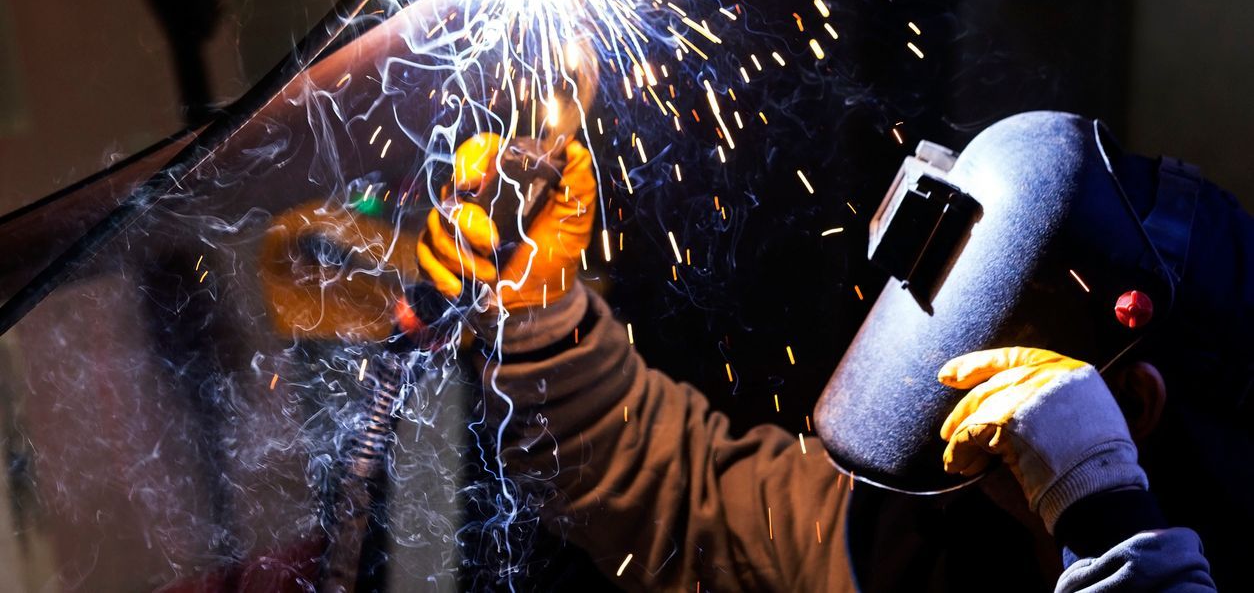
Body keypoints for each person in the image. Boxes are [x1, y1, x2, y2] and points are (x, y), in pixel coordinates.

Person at [415, 133, 1219, 591]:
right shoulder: (930, 540)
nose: (959, 446)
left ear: (1132, 414)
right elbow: (686, 491)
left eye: (993, 409)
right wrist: (538, 305)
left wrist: (1106, 524)